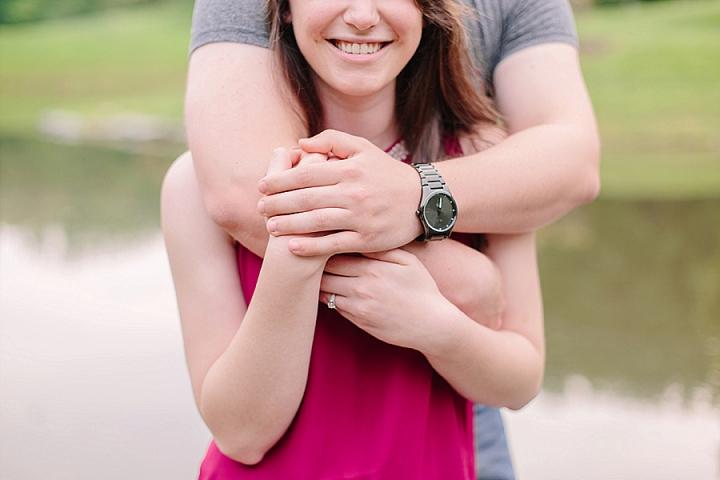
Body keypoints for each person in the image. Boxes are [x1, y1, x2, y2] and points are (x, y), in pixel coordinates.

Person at [184, 0, 599, 478]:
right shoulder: (194, 189)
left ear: (430, 10)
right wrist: (310, 241)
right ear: (283, 8)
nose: (362, 15)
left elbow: (521, 378)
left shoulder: (486, 164)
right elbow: (241, 433)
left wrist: (436, 325)